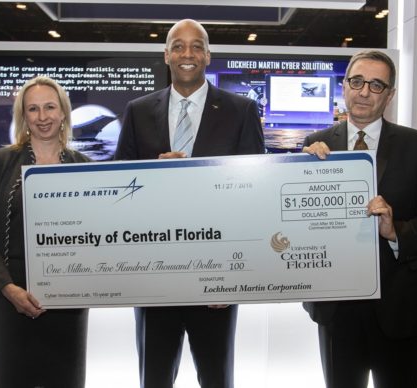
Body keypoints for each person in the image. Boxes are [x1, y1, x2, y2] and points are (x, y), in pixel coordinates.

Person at [115, 19, 264, 388]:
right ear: (166, 55)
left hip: (217, 277)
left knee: (216, 378)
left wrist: (233, 277)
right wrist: (152, 176)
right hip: (153, 274)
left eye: (196, 46)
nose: (187, 54)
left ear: (208, 56)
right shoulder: (137, 110)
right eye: (178, 46)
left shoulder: (241, 111)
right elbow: (118, 188)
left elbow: (255, 197)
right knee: (154, 378)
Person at [301, 50, 417, 388]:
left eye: (376, 84)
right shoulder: (315, 145)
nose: (364, 92)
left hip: (398, 304)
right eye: (356, 81)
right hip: (336, 307)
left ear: (390, 94)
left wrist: (395, 231)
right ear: (344, 86)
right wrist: (300, 171)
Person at [0, 76, 91, 387]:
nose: (43, 117)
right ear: (24, 116)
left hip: (65, 304)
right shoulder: (0, 162)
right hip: (8, 301)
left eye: (50, 107)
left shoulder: (83, 166)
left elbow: (95, 234)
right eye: (33, 109)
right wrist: (8, 289)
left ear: (63, 112)